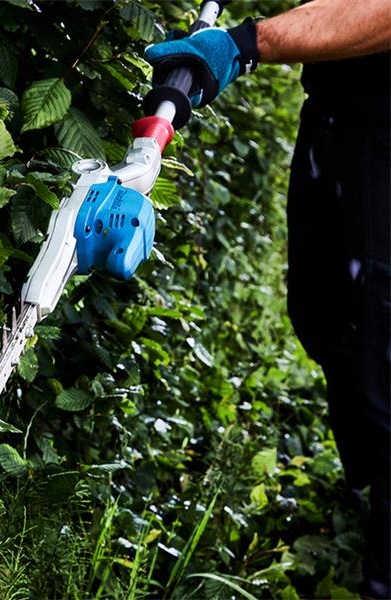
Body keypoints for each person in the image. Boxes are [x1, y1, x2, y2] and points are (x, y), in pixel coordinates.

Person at [145, 1, 391, 598]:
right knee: (324, 316)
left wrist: (246, 43)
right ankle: (368, 485)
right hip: (340, 116)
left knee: (383, 358)